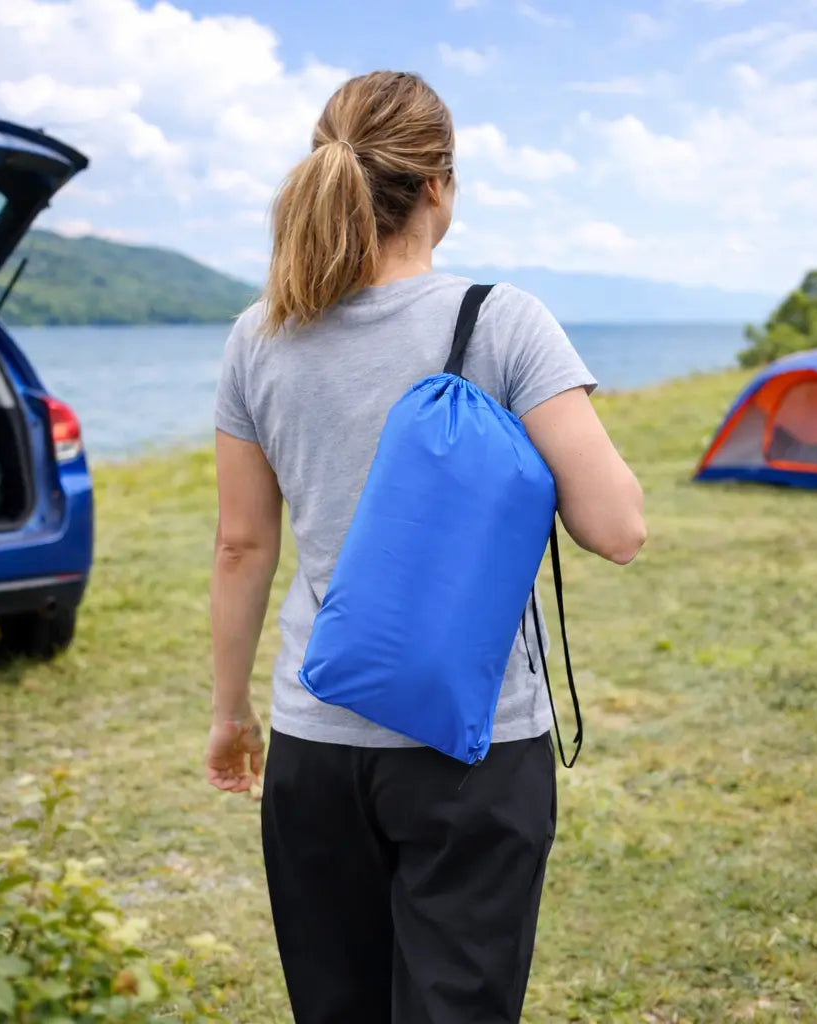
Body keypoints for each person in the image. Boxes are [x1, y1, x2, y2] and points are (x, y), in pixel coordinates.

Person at [207, 70, 646, 1024]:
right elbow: (617, 530)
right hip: (473, 746)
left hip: (316, 738)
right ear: (438, 185)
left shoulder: (258, 336)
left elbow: (242, 545)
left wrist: (230, 711)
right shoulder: (503, 320)